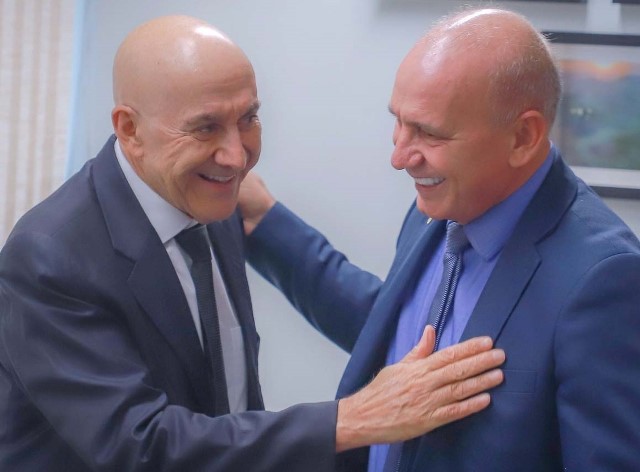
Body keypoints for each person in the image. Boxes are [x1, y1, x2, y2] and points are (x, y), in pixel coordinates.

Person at [0, 15, 506, 472]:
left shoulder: (210, 198)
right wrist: (351, 419)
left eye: (249, 119)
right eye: (205, 128)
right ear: (130, 129)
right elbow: (141, 445)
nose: (237, 156)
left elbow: (230, 402)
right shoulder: (49, 258)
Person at [239, 7, 640, 472]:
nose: (399, 157)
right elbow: (395, 335)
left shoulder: (604, 280)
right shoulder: (440, 207)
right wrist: (263, 222)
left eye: (428, 133)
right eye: (398, 121)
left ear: (522, 136)